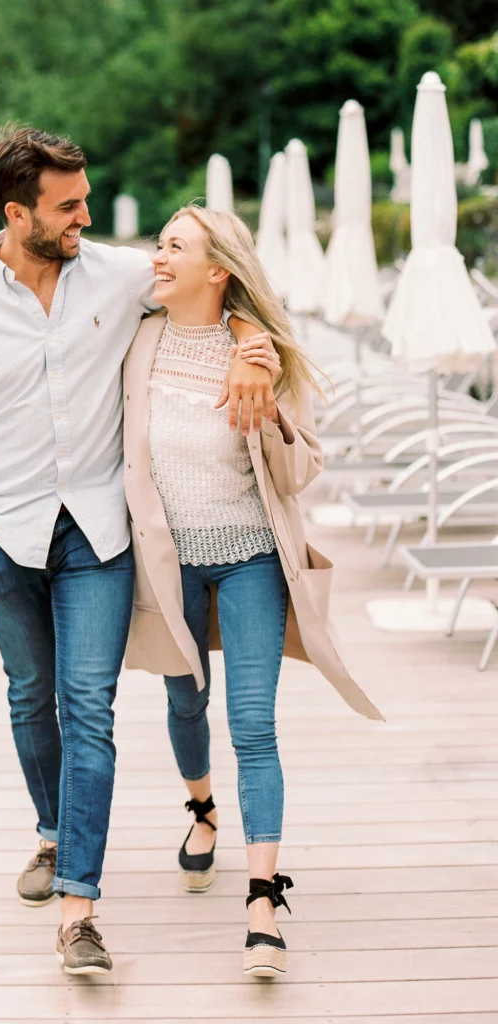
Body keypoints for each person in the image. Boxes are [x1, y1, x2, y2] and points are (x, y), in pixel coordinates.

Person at [0, 126, 275, 976]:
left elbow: (221, 283)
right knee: (29, 697)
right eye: (67, 206)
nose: (84, 217)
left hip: (102, 536)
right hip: (5, 532)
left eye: (83, 201)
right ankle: (51, 828)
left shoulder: (113, 274)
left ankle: (79, 906)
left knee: (88, 709)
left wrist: (255, 346)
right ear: (18, 212)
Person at [122, 204, 383, 978]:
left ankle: (263, 900)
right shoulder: (136, 339)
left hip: (250, 561)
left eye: (176, 246)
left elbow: (302, 473)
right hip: (168, 565)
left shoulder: (260, 356)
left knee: (254, 726)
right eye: (158, 242)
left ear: (218, 270)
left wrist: (263, 402)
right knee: (182, 702)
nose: (157, 256)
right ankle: (201, 810)